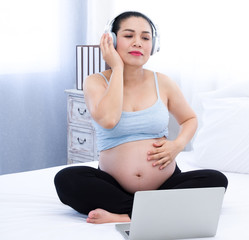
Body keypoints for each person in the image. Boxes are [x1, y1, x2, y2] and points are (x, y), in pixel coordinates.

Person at [54, 11, 228, 224]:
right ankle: (154, 211)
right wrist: (117, 68)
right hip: (113, 185)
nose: (138, 43)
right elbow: (109, 119)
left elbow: (189, 119)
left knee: (216, 180)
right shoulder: (95, 82)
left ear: (153, 46)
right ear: (112, 40)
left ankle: (126, 215)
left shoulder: (163, 82)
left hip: (165, 184)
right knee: (66, 180)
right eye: (128, 36)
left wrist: (177, 145)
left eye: (145, 38)